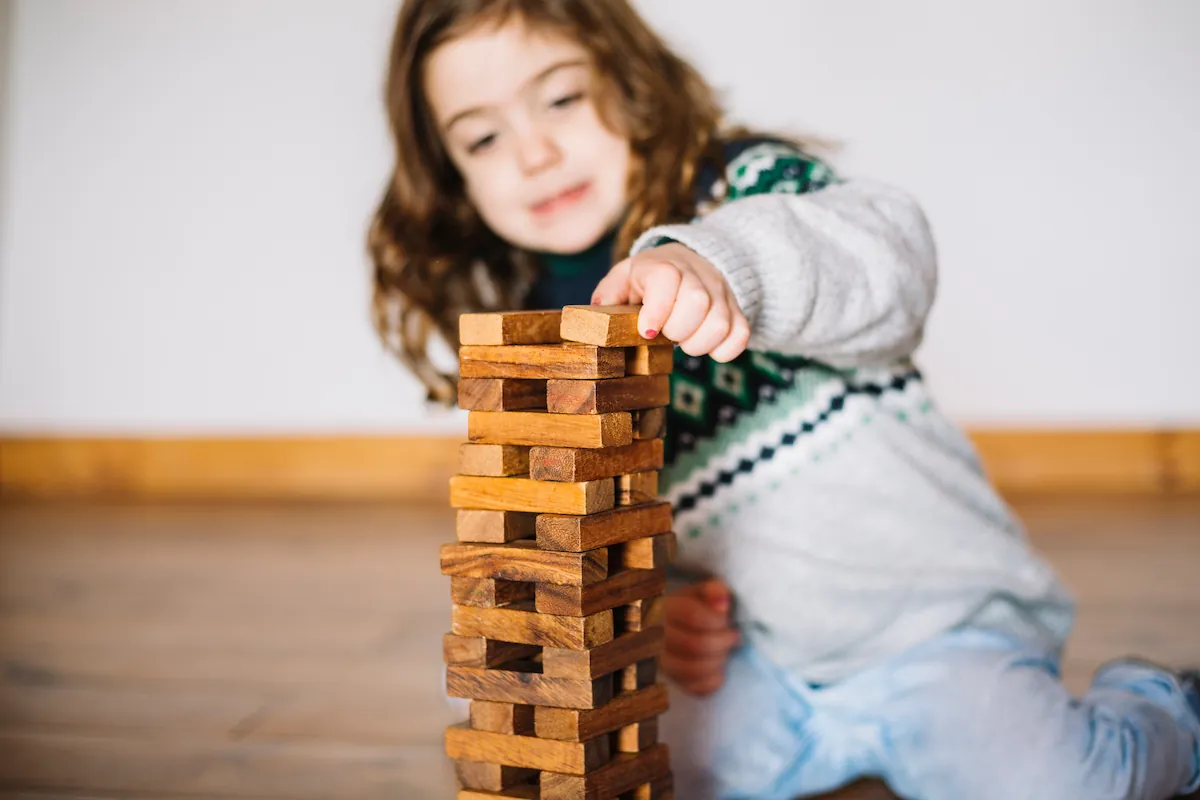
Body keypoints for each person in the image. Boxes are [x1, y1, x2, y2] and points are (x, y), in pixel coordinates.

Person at [367, 1, 1200, 798]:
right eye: (481, 138)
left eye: (560, 97)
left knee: (1063, 783)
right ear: (449, 173)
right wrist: (658, 609)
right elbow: (591, 543)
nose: (533, 153)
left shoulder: (752, 193)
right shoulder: (535, 337)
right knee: (539, 688)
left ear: (629, 76)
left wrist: (722, 266)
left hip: (937, 638)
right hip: (759, 674)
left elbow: (890, 256)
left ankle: (1171, 713)